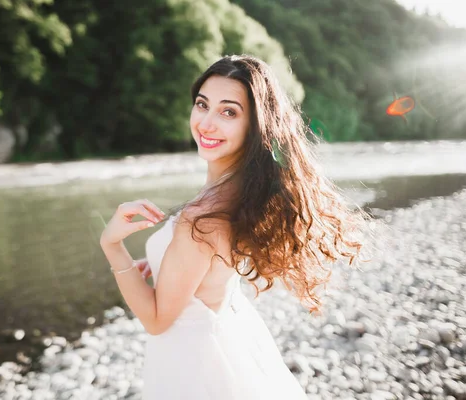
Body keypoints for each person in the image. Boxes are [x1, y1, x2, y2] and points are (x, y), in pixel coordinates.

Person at [100, 54, 364, 399]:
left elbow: (157, 320)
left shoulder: (203, 216)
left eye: (229, 112)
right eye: (202, 105)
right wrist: (165, 263)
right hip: (224, 340)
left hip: (194, 365)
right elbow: (210, 266)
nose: (206, 123)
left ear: (254, 125)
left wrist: (112, 246)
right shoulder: (238, 190)